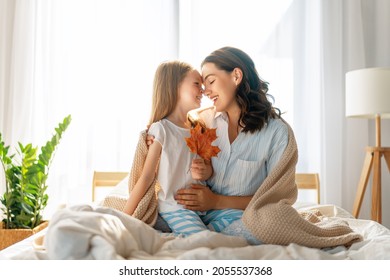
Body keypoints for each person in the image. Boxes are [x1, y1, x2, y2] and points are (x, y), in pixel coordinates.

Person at [123, 60, 214, 237]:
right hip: (176, 207)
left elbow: (209, 169)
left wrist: (205, 171)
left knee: (236, 218)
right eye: (197, 84)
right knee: (205, 239)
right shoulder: (162, 129)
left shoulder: (199, 128)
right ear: (175, 87)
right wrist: (123, 218)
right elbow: (147, 177)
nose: (202, 90)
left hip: (204, 208)